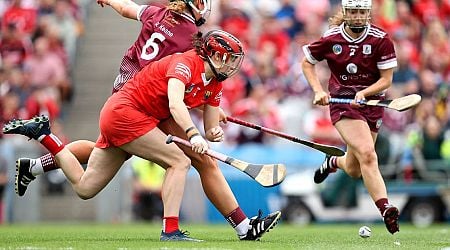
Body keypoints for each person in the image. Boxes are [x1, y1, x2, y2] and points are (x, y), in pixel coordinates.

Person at [11, 0, 281, 241]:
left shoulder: (157, 13)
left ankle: (36, 160)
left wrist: (208, 112)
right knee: (189, 160)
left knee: (90, 178)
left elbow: (128, 7)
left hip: (128, 86)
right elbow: (179, 89)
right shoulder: (191, 43)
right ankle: (223, 228)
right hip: (143, 101)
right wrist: (197, 120)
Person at [301, 0, 400, 234]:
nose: (357, 16)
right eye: (353, 11)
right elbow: (307, 63)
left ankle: (333, 162)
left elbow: (386, 80)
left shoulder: (381, 39)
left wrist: (364, 93)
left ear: (368, 13)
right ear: (345, 12)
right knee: (368, 154)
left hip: (372, 103)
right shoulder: (332, 38)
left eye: (361, 12)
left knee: (356, 168)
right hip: (343, 104)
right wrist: (318, 90)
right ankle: (386, 209)